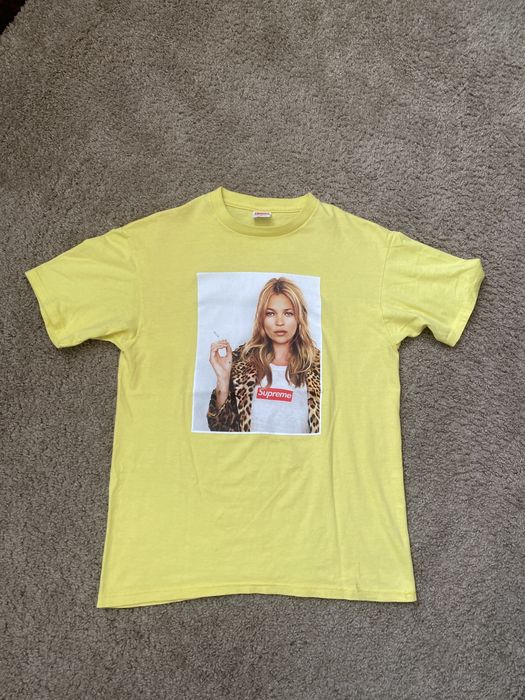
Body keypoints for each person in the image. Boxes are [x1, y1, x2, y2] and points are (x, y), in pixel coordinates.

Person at [207, 277, 321, 433]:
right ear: (262, 318)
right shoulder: (241, 361)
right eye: (271, 313)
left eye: (288, 313)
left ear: (299, 317)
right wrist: (223, 379)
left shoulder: (318, 365)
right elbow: (220, 429)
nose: (279, 322)